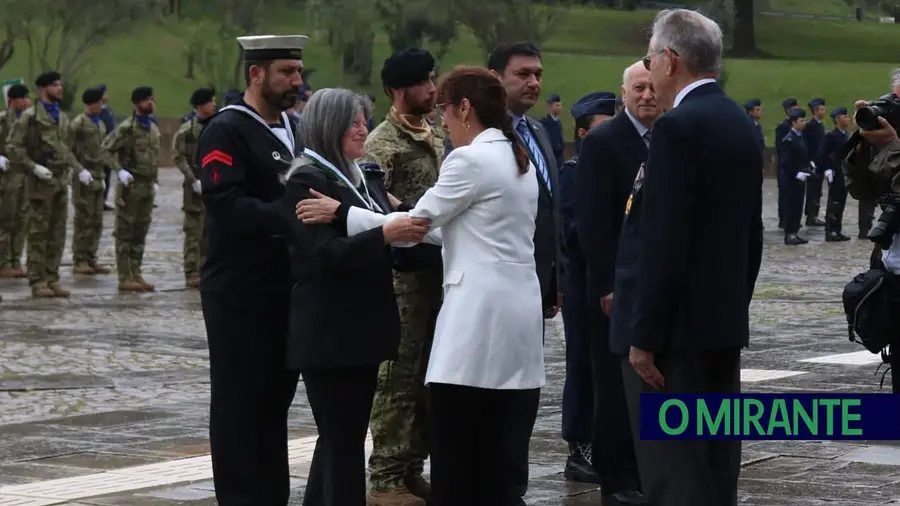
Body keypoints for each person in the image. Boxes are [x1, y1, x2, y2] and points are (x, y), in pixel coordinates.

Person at [616, 9, 763, 506]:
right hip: (719, 325)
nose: (650, 69)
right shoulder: (740, 121)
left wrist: (644, 336)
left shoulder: (679, 127)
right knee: (717, 466)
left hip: (675, 338)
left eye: (651, 58)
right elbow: (752, 235)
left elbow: (664, 241)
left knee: (674, 472)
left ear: (670, 59)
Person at [282, 88, 432, 506]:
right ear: (329, 127)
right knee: (344, 442)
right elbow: (322, 255)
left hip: (358, 331)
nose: (364, 129)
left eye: (364, 120)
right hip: (331, 333)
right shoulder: (308, 180)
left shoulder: (359, 177)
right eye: (354, 122)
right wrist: (384, 232)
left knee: (338, 439)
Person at [196, 34, 307, 506]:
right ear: (256, 74)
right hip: (239, 291)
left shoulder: (294, 128)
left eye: (299, 72)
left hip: (284, 287)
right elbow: (225, 202)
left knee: (273, 402)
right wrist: (292, 214)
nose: (296, 82)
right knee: (240, 403)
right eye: (286, 72)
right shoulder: (227, 130)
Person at [358, 47, 444, 506]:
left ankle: (412, 468)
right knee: (399, 376)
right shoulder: (381, 144)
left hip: (439, 272)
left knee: (431, 375)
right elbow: (374, 207)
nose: (432, 89)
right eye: (423, 82)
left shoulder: (440, 134)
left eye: (433, 79)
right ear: (397, 89)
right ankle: (385, 475)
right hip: (402, 280)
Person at [574, 61, 657, 506]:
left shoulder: (668, 136)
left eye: (651, 87)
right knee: (613, 387)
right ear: (623, 95)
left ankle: (647, 470)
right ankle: (618, 479)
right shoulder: (605, 141)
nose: (646, 95)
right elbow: (591, 221)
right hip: (612, 288)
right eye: (637, 89)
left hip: (651, 282)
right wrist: (607, 283)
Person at [557, 91, 616, 485]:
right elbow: (572, 230)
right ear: (582, 133)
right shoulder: (574, 171)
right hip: (582, 285)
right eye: (602, 127)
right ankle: (580, 447)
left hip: (610, 281)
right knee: (583, 364)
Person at [6, 71, 86, 298]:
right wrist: (33, 167)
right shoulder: (30, 117)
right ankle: (37, 280)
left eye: (61, 84)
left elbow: (65, 150)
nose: (60, 88)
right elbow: (14, 147)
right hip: (40, 183)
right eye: (55, 85)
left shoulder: (61, 117)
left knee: (58, 233)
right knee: (38, 233)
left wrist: (78, 171)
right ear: (43, 89)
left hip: (60, 181)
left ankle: (52, 278)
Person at [102, 86, 162, 292]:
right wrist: (119, 171)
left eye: (152, 99)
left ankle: (136, 273)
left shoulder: (153, 129)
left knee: (140, 232)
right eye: (147, 100)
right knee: (125, 233)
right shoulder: (127, 128)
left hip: (147, 186)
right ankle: (125, 276)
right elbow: (105, 150)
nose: (151, 103)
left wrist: (155, 180)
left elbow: (154, 158)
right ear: (137, 104)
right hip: (131, 186)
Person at [67, 87, 115, 275]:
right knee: (83, 220)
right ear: (92, 103)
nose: (102, 106)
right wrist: (79, 171)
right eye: (100, 103)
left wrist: (103, 175)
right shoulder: (78, 124)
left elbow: (102, 152)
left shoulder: (100, 125)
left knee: (96, 220)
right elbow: (68, 150)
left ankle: (91, 257)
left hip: (97, 176)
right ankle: (79, 259)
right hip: (83, 177)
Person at [172, 87, 217, 289]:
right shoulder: (187, 131)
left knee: (209, 232)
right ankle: (191, 271)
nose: (214, 105)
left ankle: (205, 267)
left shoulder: (217, 126)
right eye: (210, 102)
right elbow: (178, 157)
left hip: (212, 187)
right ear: (200, 106)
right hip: (194, 190)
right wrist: (192, 179)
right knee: (193, 231)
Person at [0, 83, 31, 279]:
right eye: (23, 97)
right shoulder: (3, 120)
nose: (27, 101)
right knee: (6, 220)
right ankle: (3, 262)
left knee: (22, 221)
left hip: (25, 176)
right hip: (6, 177)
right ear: (12, 101)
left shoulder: (30, 121)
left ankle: (15, 260)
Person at [780, 108, 812, 245]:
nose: (804, 123)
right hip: (791, 179)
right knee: (791, 206)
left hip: (801, 178)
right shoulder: (789, 139)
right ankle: (789, 233)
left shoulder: (799, 137)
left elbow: (802, 155)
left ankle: (794, 231)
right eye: (801, 121)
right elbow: (785, 162)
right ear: (793, 122)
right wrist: (796, 173)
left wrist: (808, 165)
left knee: (798, 205)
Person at [821, 106, 851, 242]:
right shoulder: (831, 136)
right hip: (835, 172)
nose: (848, 119)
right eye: (845, 117)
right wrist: (827, 169)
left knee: (841, 202)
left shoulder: (846, 135)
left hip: (844, 172)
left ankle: (837, 229)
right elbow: (822, 154)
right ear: (837, 119)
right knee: (834, 202)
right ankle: (830, 230)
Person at [803, 97, 827, 227]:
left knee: (818, 190)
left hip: (820, 163)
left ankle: (814, 214)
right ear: (815, 110)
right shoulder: (810, 126)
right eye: (821, 109)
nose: (824, 111)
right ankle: (811, 215)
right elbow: (807, 145)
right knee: (812, 190)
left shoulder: (819, 125)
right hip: (813, 163)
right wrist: (809, 161)